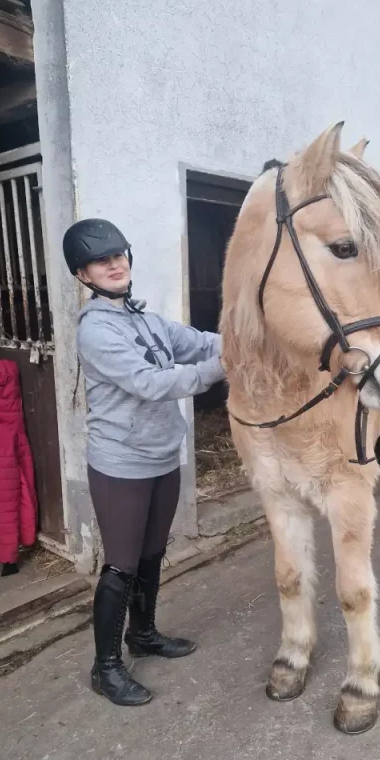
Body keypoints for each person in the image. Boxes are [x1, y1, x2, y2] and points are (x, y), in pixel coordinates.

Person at [62, 219, 227, 706]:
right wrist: (223, 367)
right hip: (121, 463)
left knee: (153, 553)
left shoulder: (146, 320)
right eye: (101, 261)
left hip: (161, 455)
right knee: (121, 565)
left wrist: (246, 339)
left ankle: (143, 634)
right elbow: (151, 383)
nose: (114, 265)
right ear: (83, 274)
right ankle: (106, 667)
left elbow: (200, 342)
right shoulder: (95, 330)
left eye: (118, 255)